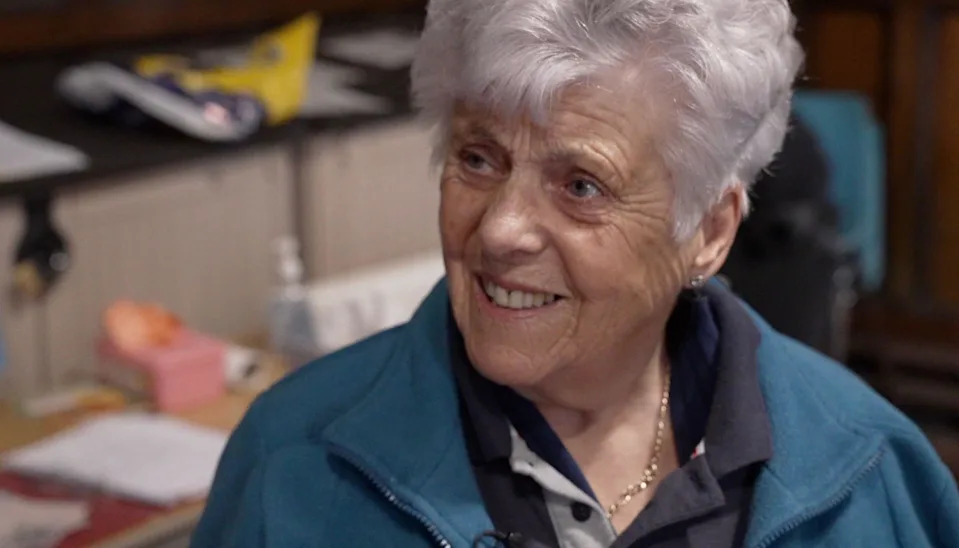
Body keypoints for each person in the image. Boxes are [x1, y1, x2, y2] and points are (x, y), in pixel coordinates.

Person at [192, 0, 959, 546]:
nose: (498, 229)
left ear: (709, 231)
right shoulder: (293, 460)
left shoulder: (871, 473)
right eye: (477, 159)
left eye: (581, 185)